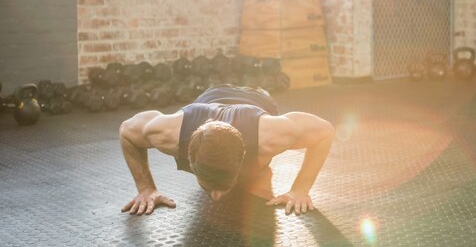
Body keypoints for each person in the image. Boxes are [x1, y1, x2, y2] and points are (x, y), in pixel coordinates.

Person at [119, 84, 335, 216]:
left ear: (243, 156)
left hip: (256, 98)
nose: (216, 197)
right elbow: (127, 131)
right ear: (188, 155)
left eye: (223, 187)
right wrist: (146, 188)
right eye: (208, 187)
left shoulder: (268, 136)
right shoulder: (169, 134)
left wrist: (300, 189)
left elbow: (324, 131)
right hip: (211, 95)